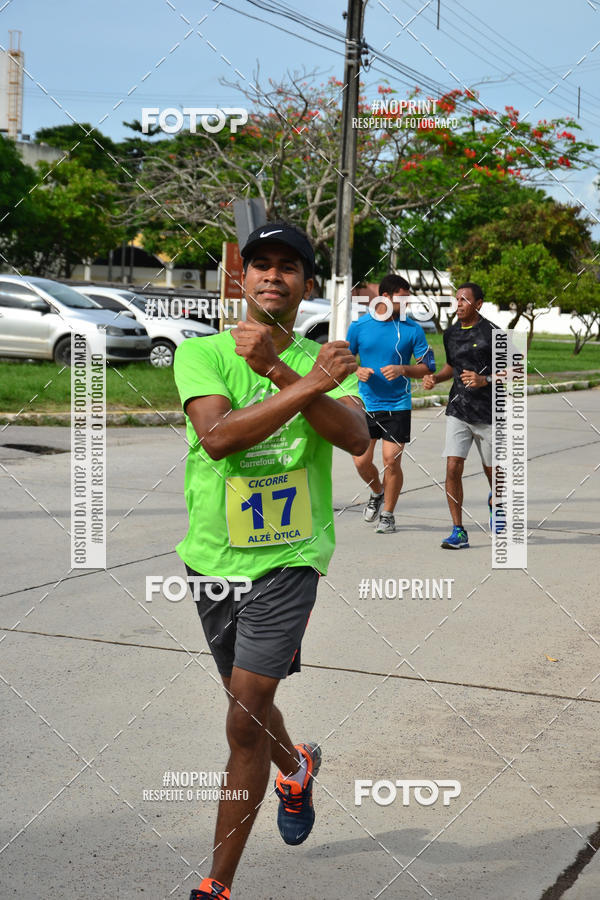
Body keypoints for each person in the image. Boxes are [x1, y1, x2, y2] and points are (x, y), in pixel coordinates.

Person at [173, 221, 369, 900]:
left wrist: (287, 372)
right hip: (213, 559)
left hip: (289, 559)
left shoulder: (329, 360)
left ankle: (215, 886)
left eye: (289, 267)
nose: (273, 276)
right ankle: (296, 767)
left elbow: (354, 439)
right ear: (242, 278)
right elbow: (220, 438)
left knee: (241, 716)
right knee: (248, 705)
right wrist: (301, 383)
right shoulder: (200, 353)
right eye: (261, 265)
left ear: (307, 284)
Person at [346, 274, 435, 534]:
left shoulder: (412, 329)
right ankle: (377, 491)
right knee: (361, 461)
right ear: (385, 297)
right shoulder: (360, 326)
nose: (406, 304)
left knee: (391, 459)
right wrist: (357, 371)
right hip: (366, 403)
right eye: (402, 299)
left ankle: (388, 513)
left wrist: (402, 369)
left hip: (398, 403)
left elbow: (427, 366)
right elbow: (345, 360)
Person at [422, 282, 497, 549]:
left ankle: (495, 502)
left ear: (478, 304)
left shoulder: (492, 333)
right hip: (458, 410)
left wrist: (484, 379)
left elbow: (517, 370)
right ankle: (458, 530)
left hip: (489, 413)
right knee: (453, 466)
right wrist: (435, 378)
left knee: (494, 474)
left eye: (465, 300)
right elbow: (451, 367)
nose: (459, 304)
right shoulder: (451, 334)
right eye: (457, 300)